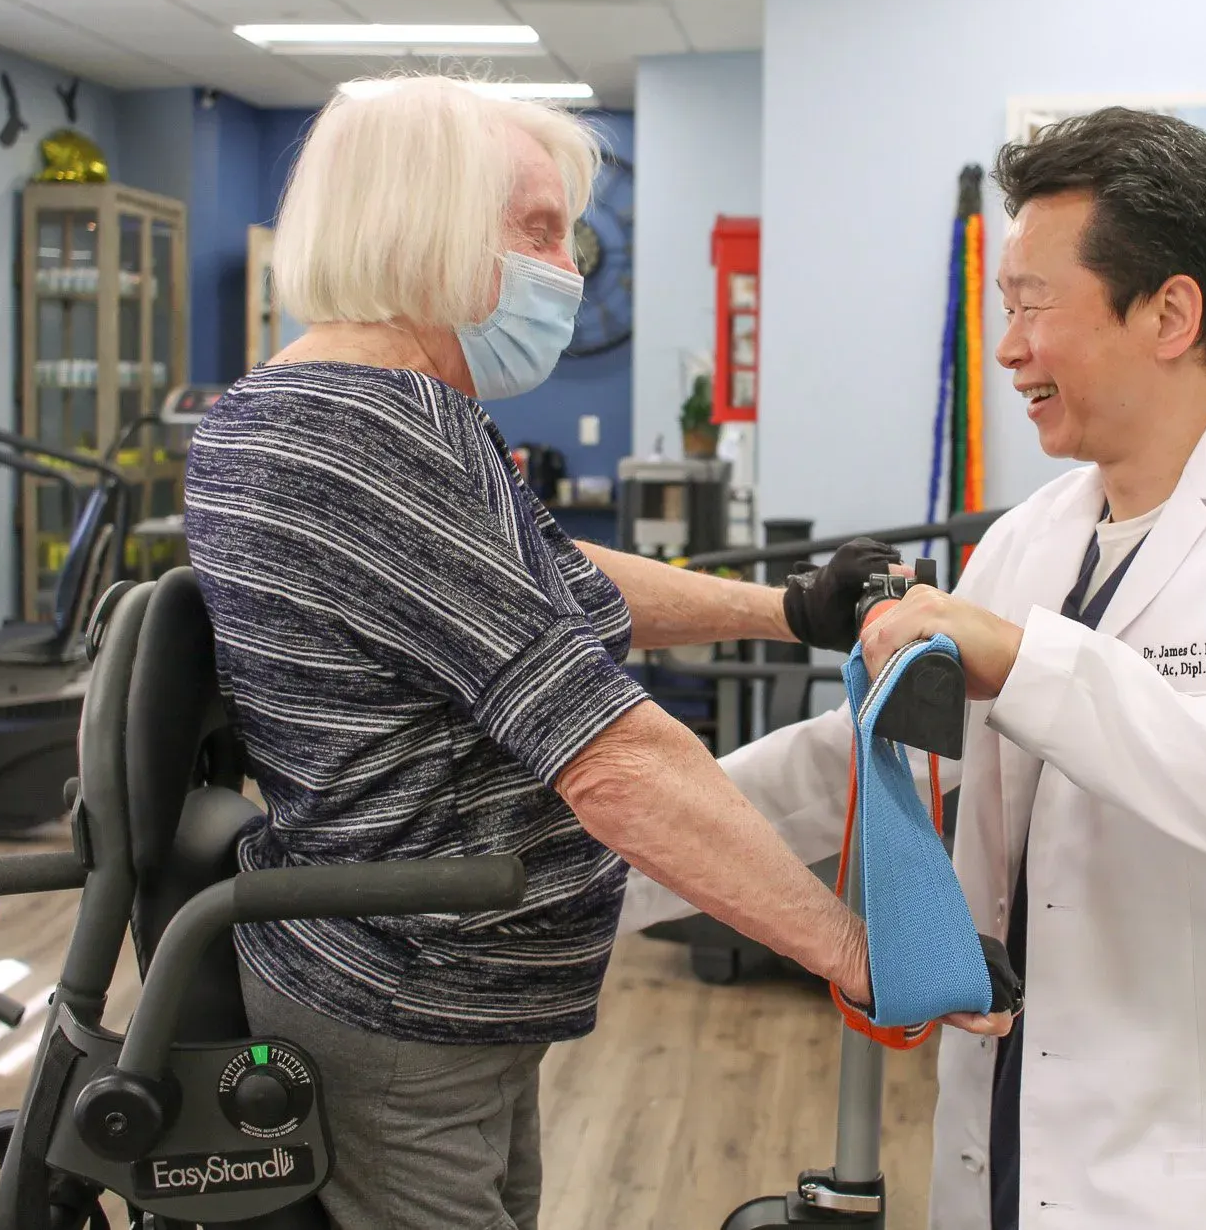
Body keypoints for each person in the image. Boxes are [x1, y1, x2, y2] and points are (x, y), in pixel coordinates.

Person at [181, 73, 1006, 1230]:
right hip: (404, 1002)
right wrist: (859, 951)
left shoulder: (349, 406)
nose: (565, 265)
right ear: (417, 221)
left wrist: (787, 612)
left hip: (448, 994)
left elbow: (557, 583)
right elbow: (614, 760)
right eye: (532, 230)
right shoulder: (365, 441)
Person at [621, 107, 1206, 1230]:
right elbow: (860, 759)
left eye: (1030, 306)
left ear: (1169, 312)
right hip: (1010, 1155)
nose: (1007, 347)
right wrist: (592, 861)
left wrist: (1026, 661)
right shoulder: (1034, 536)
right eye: (1000, 309)